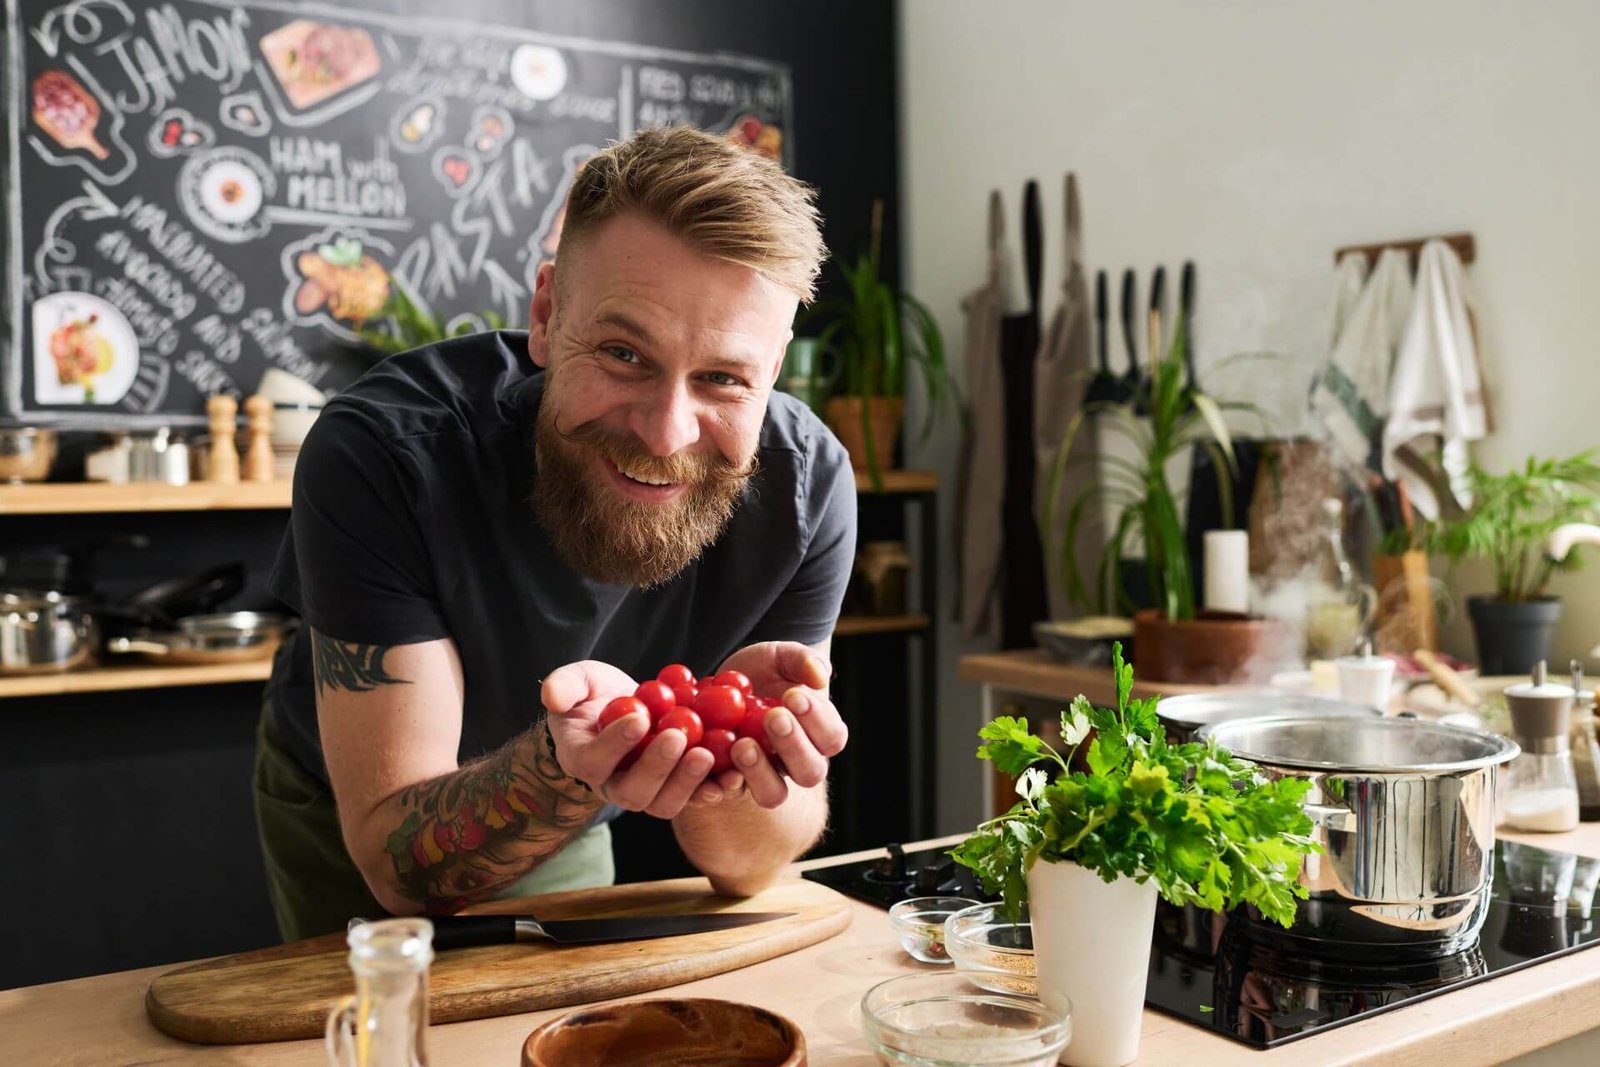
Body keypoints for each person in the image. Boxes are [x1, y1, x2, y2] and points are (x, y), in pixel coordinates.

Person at [253, 125, 855, 940]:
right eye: (622, 353)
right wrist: (566, 769)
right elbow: (397, 866)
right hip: (365, 808)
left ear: (774, 369)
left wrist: (744, 759)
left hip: (565, 799)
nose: (667, 432)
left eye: (723, 377)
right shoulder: (384, 453)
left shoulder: (807, 488)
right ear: (545, 314)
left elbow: (747, 865)